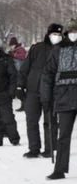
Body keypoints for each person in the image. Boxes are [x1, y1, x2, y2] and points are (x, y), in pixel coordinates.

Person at [17, 24, 62, 159]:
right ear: (48, 34)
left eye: (59, 35)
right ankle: (34, 148)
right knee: (31, 120)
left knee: (50, 121)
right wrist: (19, 86)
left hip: (52, 92)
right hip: (33, 90)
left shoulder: (63, 50)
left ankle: (50, 148)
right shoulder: (36, 48)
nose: (56, 37)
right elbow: (25, 68)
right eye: (54, 34)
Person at [40, 18, 77, 180]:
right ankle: (60, 169)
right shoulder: (57, 50)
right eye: (72, 32)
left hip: (66, 95)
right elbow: (48, 75)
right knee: (64, 136)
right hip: (64, 97)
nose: (74, 35)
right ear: (67, 34)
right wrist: (46, 98)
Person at [8, 37, 27, 112]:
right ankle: (23, 105)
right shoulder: (14, 50)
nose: (11, 47)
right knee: (18, 90)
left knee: (20, 90)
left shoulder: (20, 49)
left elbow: (22, 56)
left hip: (21, 73)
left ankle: (25, 105)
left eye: (12, 45)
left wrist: (13, 55)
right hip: (16, 73)